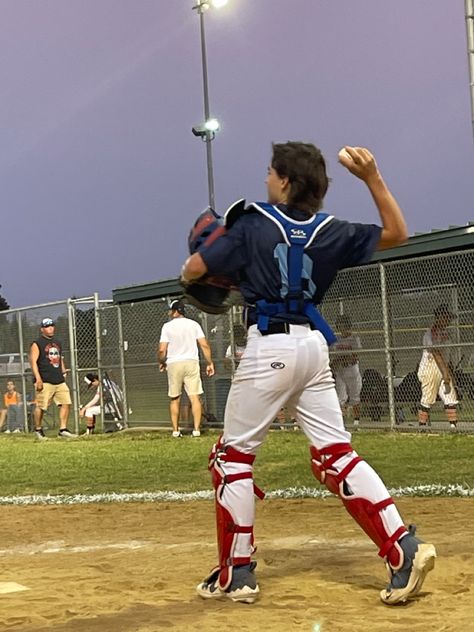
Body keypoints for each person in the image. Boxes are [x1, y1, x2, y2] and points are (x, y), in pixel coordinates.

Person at [181, 142, 436, 605]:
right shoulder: (330, 229)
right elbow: (398, 232)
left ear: (285, 181)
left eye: (270, 173)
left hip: (269, 348)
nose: (265, 179)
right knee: (335, 455)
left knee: (232, 460)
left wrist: (209, 261)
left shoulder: (253, 222)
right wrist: (373, 177)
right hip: (314, 347)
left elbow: (193, 269)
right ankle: (402, 546)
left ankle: (236, 573)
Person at [158, 299, 215, 437]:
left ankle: (176, 431)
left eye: (171, 310)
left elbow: (162, 349)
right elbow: (204, 345)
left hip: (174, 363)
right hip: (191, 362)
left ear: (175, 311)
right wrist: (209, 362)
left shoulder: (167, 326)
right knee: (194, 397)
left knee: (175, 398)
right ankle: (196, 429)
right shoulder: (194, 324)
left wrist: (161, 361)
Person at [30, 317, 76, 440]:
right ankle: (38, 430)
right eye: (47, 326)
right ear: (42, 329)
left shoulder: (58, 342)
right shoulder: (37, 343)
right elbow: (33, 362)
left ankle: (63, 429)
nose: (50, 328)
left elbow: (60, 359)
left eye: (51, 326)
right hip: (45, 380)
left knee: (66, 403)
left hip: (58, 379)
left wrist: (63, 371)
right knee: (41, 406)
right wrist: (38, 379)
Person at [417, 304, 458, 430]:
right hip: (431, 367)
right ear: (439, 317)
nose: (449, 320)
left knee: (450, 396)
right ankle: (422, 427)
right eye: (446, 317)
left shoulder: (445, 332)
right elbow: (436, 352)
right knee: (428, 398)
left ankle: (453, 427)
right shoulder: (432, 332)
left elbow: (446, 354)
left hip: (442, 366)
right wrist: (445, 372)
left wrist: (449, 371)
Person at [331, 314, 363, 429]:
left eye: (344, 325)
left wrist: (345, 358)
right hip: (341, 370)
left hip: (352, 369)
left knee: (355, 396)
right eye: (340, 325)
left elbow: (355, 356)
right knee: (341, 397)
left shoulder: (354, 338)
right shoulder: (337, 340)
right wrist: (335, 364)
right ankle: (341, 422)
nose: (342, 328)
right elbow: (335, 357)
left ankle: (356, 422)